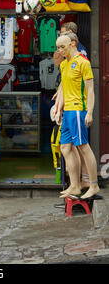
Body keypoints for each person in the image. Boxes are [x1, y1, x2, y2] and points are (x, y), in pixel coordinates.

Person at [54, 33, 100, 200]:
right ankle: (74, 186)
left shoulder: (83, 62)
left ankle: (94, 185)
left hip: (78, 111)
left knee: (83, 147)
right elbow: (64, 89)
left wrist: (90, 112)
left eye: (62, 47)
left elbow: (90, 90)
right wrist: (58, 109)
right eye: (57, 47)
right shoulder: (64, 64)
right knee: (65, 148)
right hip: (68, 112)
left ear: (72, 44)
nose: (59, 51)